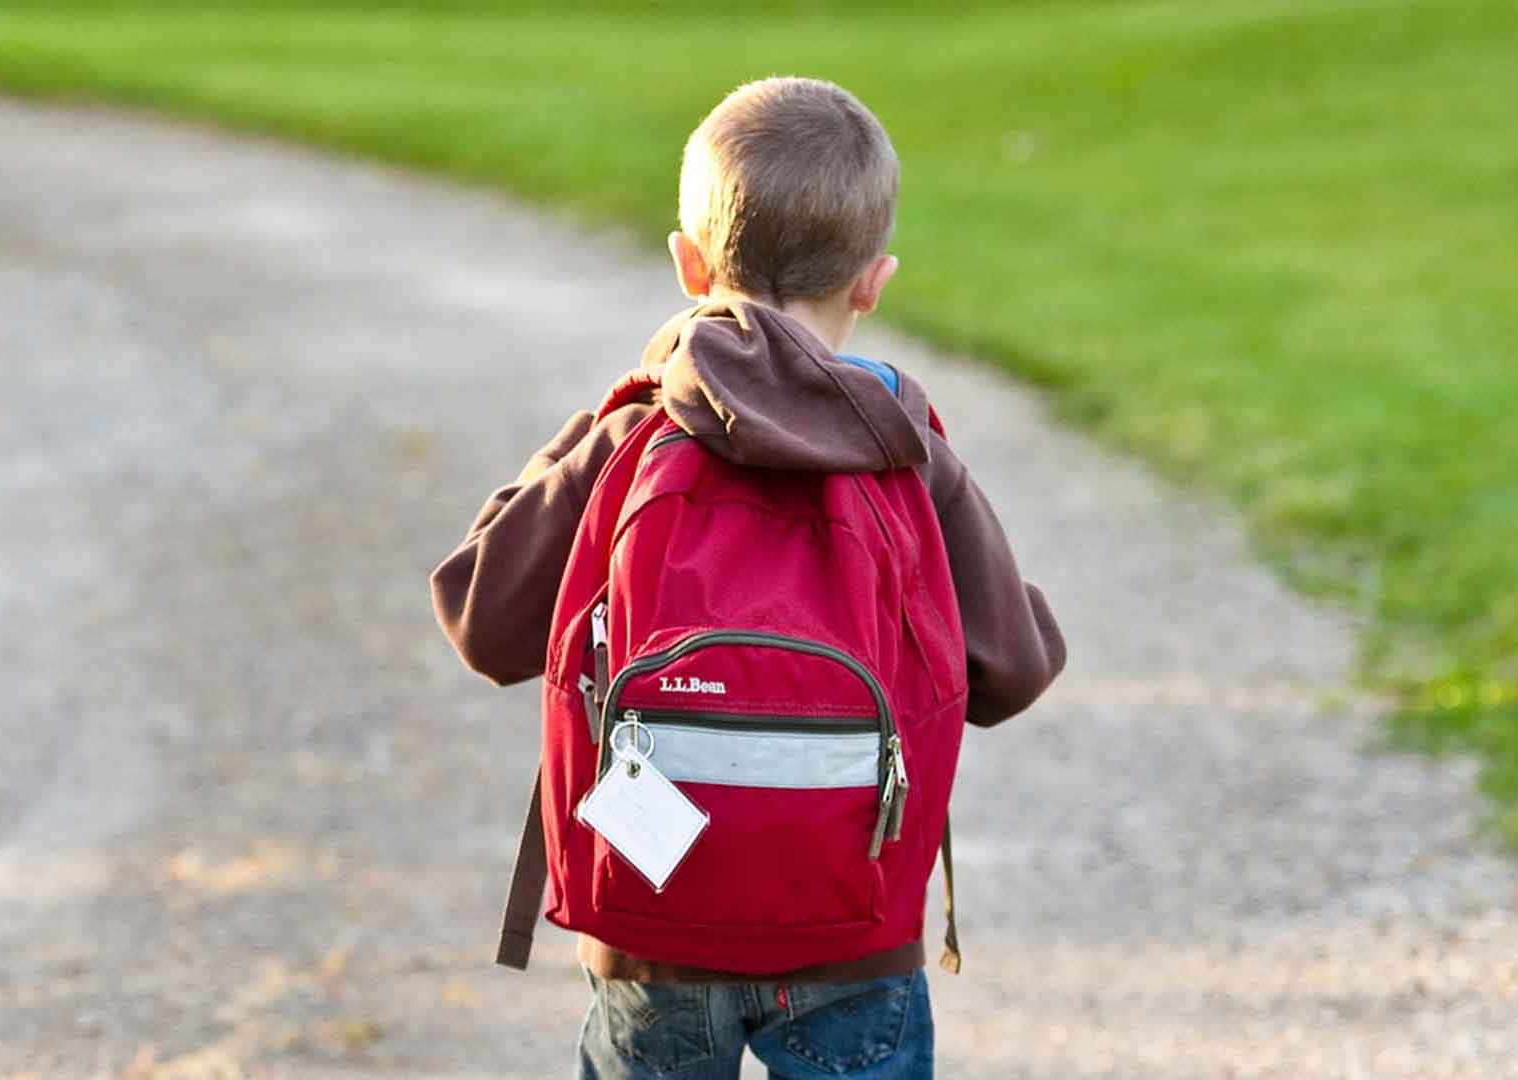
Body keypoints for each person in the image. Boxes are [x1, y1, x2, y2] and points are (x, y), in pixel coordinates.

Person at [431, 76, 1065, 1080]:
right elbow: (1015, 672)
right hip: (854, 931)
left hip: (657, 922)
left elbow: (480, 618)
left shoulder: (638, 435)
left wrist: (603, 421)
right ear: (874, 281)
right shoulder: (908, 451)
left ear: (688, 265)